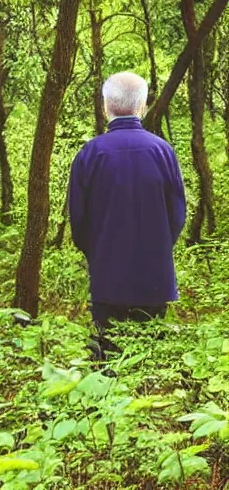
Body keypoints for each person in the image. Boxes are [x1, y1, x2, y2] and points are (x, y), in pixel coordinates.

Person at [68, 72, 186, 360]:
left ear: (105, 106)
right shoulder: (163, 151)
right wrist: (157, 246)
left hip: (107, 278)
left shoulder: (90, 153)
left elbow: (78, 219)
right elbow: (177, 215)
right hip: (155, 279)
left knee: (107, 359)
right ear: (142, 106)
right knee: (149, 361)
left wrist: (97, 253)